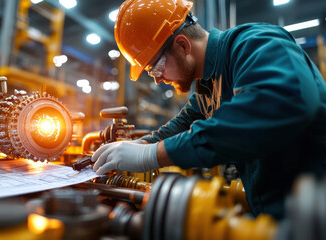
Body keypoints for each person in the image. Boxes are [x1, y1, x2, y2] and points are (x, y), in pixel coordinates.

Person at [92, 0, 326, 220]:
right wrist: (139, 145)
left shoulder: (256, 43)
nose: (158, 80)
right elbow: (180, 125)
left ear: (182, 45)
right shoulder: (207, 87)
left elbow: (274, 106)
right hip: (272, 216)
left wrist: (149, 156)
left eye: (156, 68)